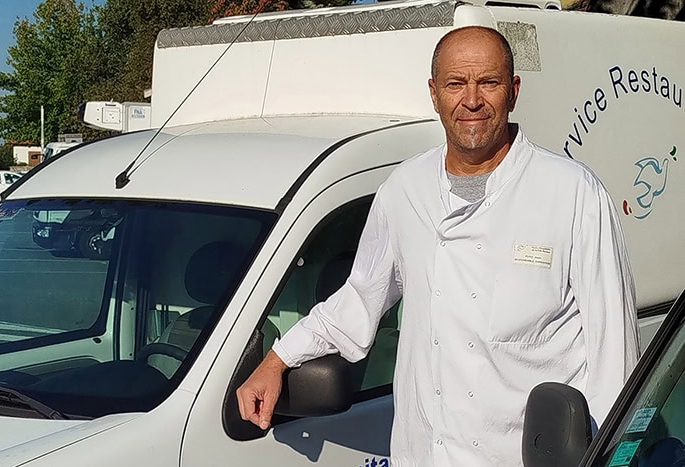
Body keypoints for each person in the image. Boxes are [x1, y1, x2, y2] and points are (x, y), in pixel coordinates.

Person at [236, 25, 640, 465]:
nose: (472, 100)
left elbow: (614, 357)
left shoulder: (573, 194)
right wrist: (277, 359)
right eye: (455, 84)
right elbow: (359, 299)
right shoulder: (405, 189)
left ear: (513, 91)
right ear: (433, 93)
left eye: (488, 82)